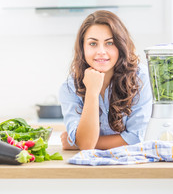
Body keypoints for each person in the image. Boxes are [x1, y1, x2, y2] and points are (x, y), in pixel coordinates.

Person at [59, 10, 152, 150]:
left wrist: (76, 142)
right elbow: (85, 145)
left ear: (121, 45)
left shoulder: (140, 78)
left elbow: (135, 139)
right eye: (92, 44)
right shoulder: (70, 87)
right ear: (82, 48)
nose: (101, 51)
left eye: (109, 43)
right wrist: (92, 91)